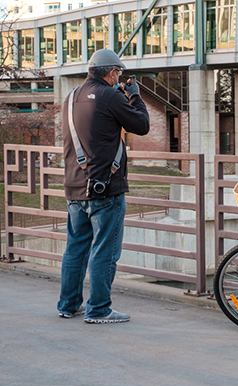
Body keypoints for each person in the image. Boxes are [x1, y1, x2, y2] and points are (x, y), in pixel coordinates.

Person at [57, 49, 150, 324]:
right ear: (112, 72)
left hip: (75, 185)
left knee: (76, 249)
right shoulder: (110, 95)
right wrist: (134, 95)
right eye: (118, 73)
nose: (119, 77)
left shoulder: (71, 97)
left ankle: (69, 305)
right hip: (105, 189)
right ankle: (99, 309)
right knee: (105, 250)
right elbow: (142, 125)